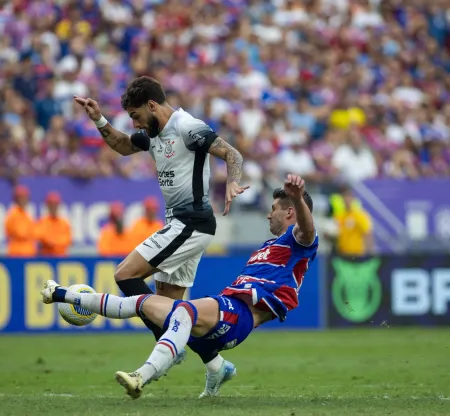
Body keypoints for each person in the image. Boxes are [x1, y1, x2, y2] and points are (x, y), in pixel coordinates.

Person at [41, 174, 318, 399]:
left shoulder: (297, 243)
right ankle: (59, 293)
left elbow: (307, 231)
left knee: (184, 312)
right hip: (228, 311)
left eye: (274, 210)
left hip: (241, 315)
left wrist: (297, 197)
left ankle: (142, 376)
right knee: (140, 304)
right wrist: (60, 295)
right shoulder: (270, 245)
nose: (269, 215)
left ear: (290, 212)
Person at [73, 76, 249, 387]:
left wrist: (233, 181)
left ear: (153, 106)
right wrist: (98, 119)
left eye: (136, 116)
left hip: (191, 223)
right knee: (173, 312)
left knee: (126, 275)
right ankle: (217, 364)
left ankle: (170, 345)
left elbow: (231, 154)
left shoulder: (187, 127)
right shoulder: (153, 133)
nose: (136, 124)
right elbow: (123, 146)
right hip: (182, 225)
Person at [4, 185, 37, 257]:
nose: (23, 200)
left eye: (25, 197)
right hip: (18, 253)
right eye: (20, 197)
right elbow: (21, 232)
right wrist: (33, 232)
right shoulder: (14, 214)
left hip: (28, 252)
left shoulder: (25, 214)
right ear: (16, 199)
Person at [36, 192, 73, 257]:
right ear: (47, 206)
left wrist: (54, 242)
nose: (53, 207)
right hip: (46, 257)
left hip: (61, 257)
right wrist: (56, 241)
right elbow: (42, 237)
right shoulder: (42, 221)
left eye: (55, 204)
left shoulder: (64, 223)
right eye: (51, 205)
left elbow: (68, 240)